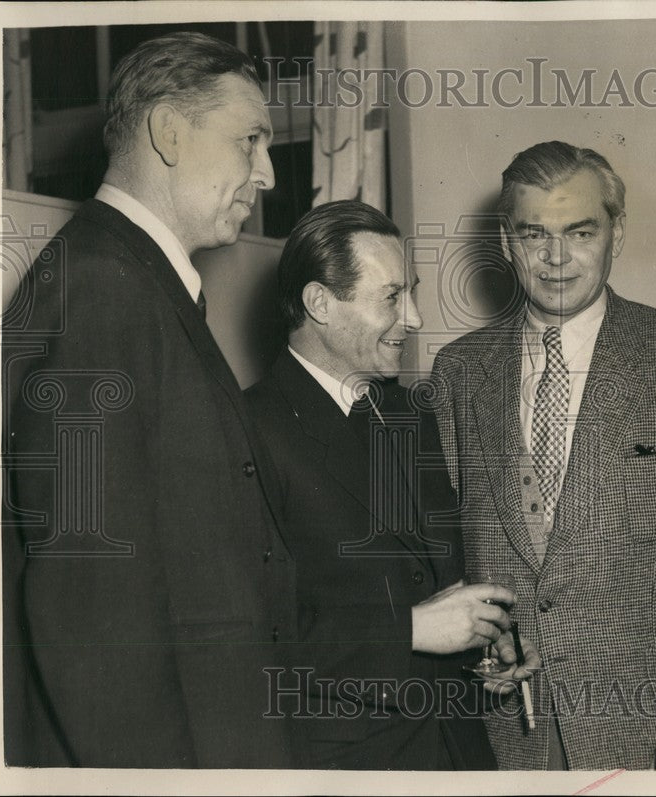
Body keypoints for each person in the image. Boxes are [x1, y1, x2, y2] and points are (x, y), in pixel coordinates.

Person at [3, 32, 295, 767]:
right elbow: (90, 602)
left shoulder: (129, 280)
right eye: (250, 140)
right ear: (168, 130)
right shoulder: (103, 290)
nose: (265, 172)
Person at [431, 141, 656, 770]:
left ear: (616, 234)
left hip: (650, 726)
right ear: (506, 242)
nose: (556, 259)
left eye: (580, 232)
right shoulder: (458, 371)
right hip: (502, 730)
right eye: (534, 235)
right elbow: (446, 550)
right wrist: (482, 643)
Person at [244, 199, 538, 770]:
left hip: (455, 753)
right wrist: (409, 630)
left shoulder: (409, 413)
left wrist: (485, 640)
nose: (417, 318)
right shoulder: (245, 431)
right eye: (392, 298)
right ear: (319, 303)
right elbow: (252, 636)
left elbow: (436, 575)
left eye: (414, 292)